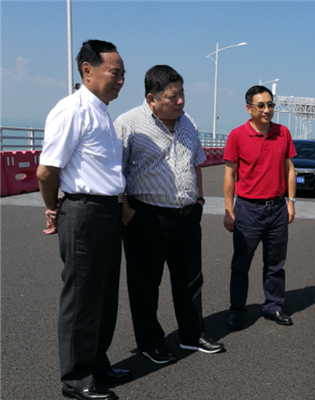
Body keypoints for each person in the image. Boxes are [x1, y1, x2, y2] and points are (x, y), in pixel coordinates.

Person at [37, 40, 129, 400]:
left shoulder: (101, 112)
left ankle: (97, 362)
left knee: (104, 294)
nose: (121, 80)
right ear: (87, 70)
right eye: (115, 73)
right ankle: (76, 378)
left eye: (123, 74)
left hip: (107, 211)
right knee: (82, 297)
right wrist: (53, 207)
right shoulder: (72, 110)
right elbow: (47, 171)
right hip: (84, 211)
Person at [114, 65, 223, 365]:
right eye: (173, 96)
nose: (180, 101)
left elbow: (196, 162)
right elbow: (113, 173)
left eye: (182, 93)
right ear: (152, 98)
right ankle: (150, 342)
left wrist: (199, 201)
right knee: (145, 286)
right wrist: (128, 215)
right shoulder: (128, 124)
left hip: (187, 216)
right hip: (146, 217)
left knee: (190, 281)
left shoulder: (188, 122)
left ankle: (192, 334)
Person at [223, 85, 297, 331]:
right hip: (248, 210)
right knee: (241, 264)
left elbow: (289, 169)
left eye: (270, 105)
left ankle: (273, 306)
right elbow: (229, 175)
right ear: (249, 108)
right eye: (261, 105)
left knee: (275, 264)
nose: (267, 110)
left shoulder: (283, 133)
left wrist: (291, 201)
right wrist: (228, 210)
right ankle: (237, 310)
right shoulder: (237, 135)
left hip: (277, 208)